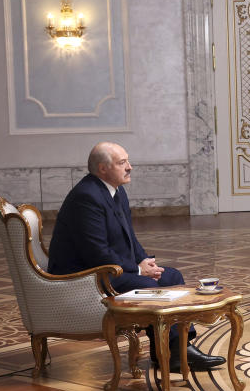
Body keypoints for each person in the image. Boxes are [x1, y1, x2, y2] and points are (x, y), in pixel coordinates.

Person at [48, 142, 225, 372]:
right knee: (151, 286)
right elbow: (96, 252)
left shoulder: (116, 190)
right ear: (102, 168)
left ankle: (175, 348)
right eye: (122, 163)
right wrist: (139, 271)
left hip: (109, 268)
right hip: (84, 276)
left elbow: (129, 237)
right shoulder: (86, 197)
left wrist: (145, 261)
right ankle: (175, 352)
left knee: (171, 276)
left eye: (127, 161)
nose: (129, 167)